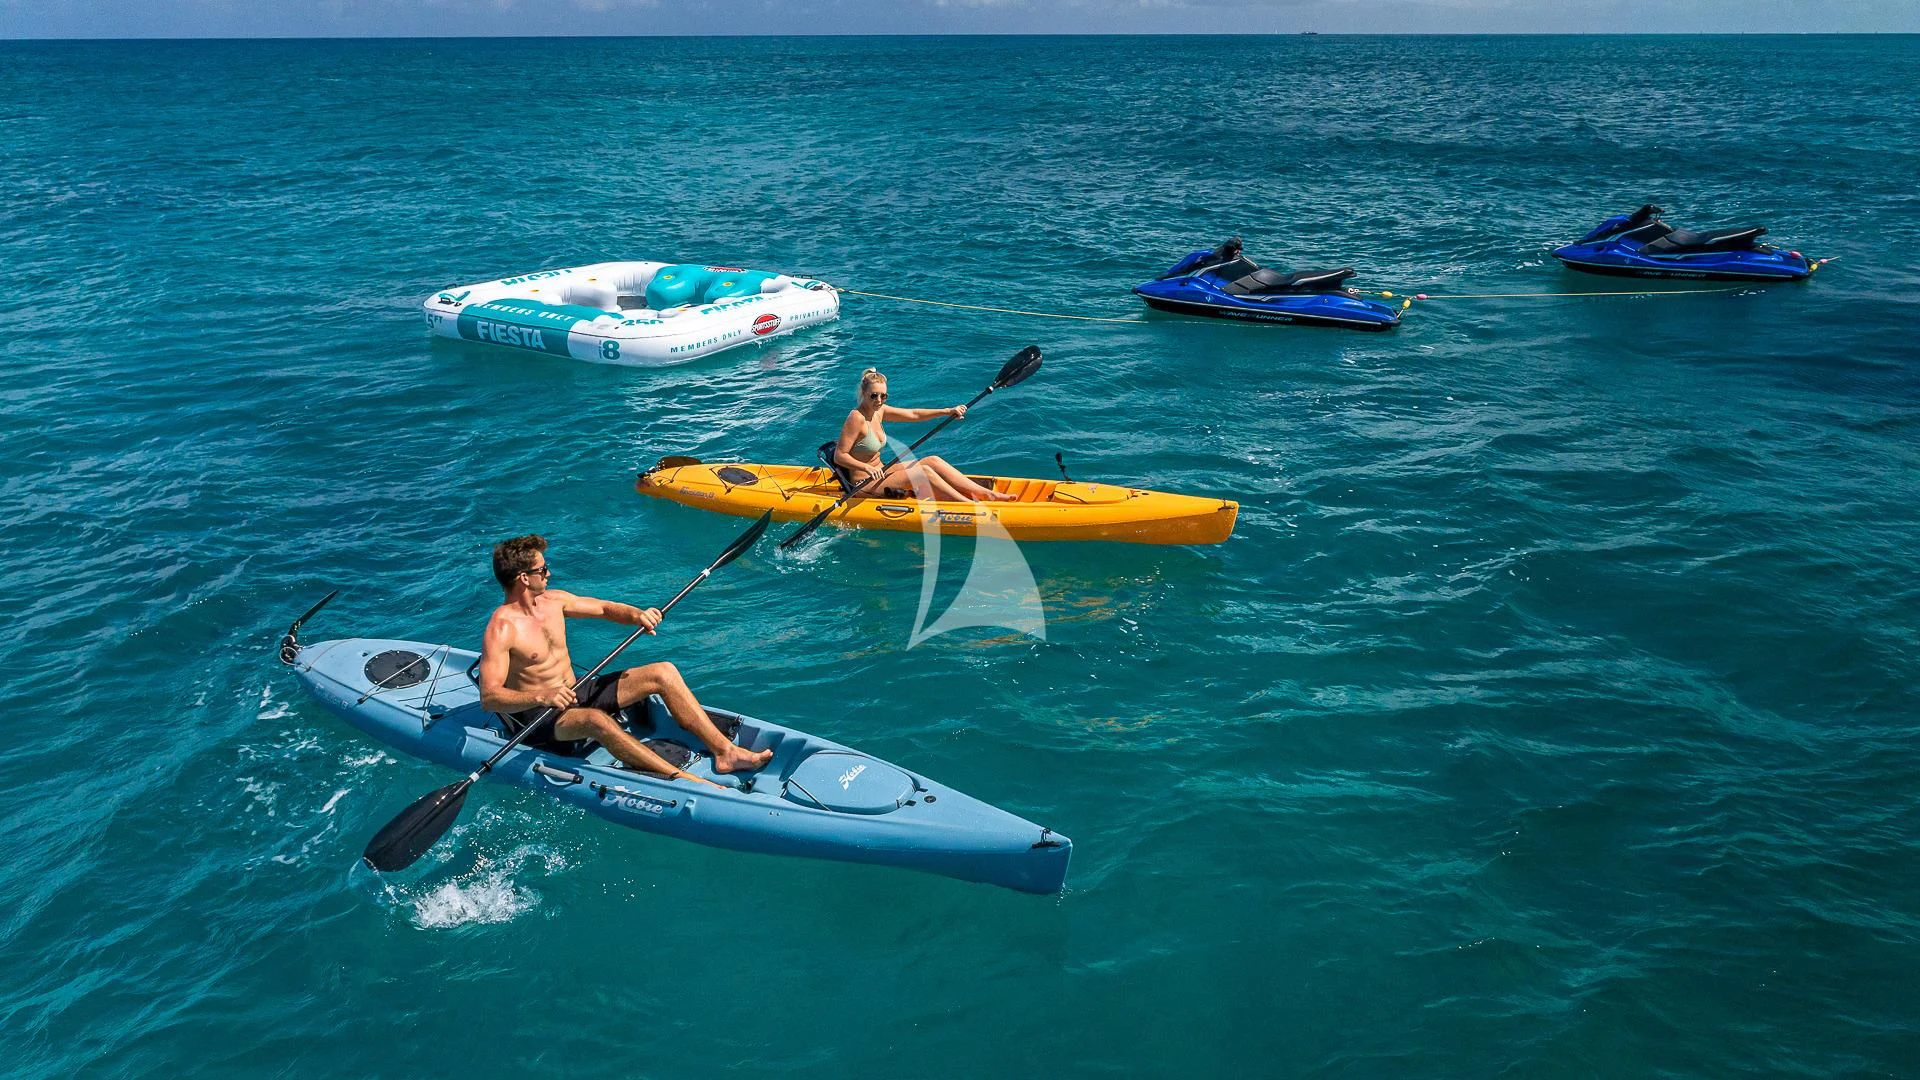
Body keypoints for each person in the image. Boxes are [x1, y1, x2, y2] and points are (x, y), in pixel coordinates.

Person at [475, 535, 772, 785]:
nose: (549, 574)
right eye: (543, 569)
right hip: (541, 718)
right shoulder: (501, 628)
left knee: (663, 672)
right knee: (596, 720)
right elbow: (490, 697)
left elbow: (604, 608)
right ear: (524, 578)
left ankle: (725, 752)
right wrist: (543, 694)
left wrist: (637, 615)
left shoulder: (554, 600)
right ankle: (682, 781)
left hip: (576, 691)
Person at [833, 368, 1016, 503]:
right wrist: (867, 469)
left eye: (883, 396)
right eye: (874, 396)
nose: (879, 401)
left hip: (882, 471)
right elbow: (839, 456)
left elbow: (914, 414)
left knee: (932, 460)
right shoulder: (856, 418)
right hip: (864, 483)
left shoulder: (879, 411)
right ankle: (968, 505)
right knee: (924, 473)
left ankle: (988, 495)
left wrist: (947, 411)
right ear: (863, 393)